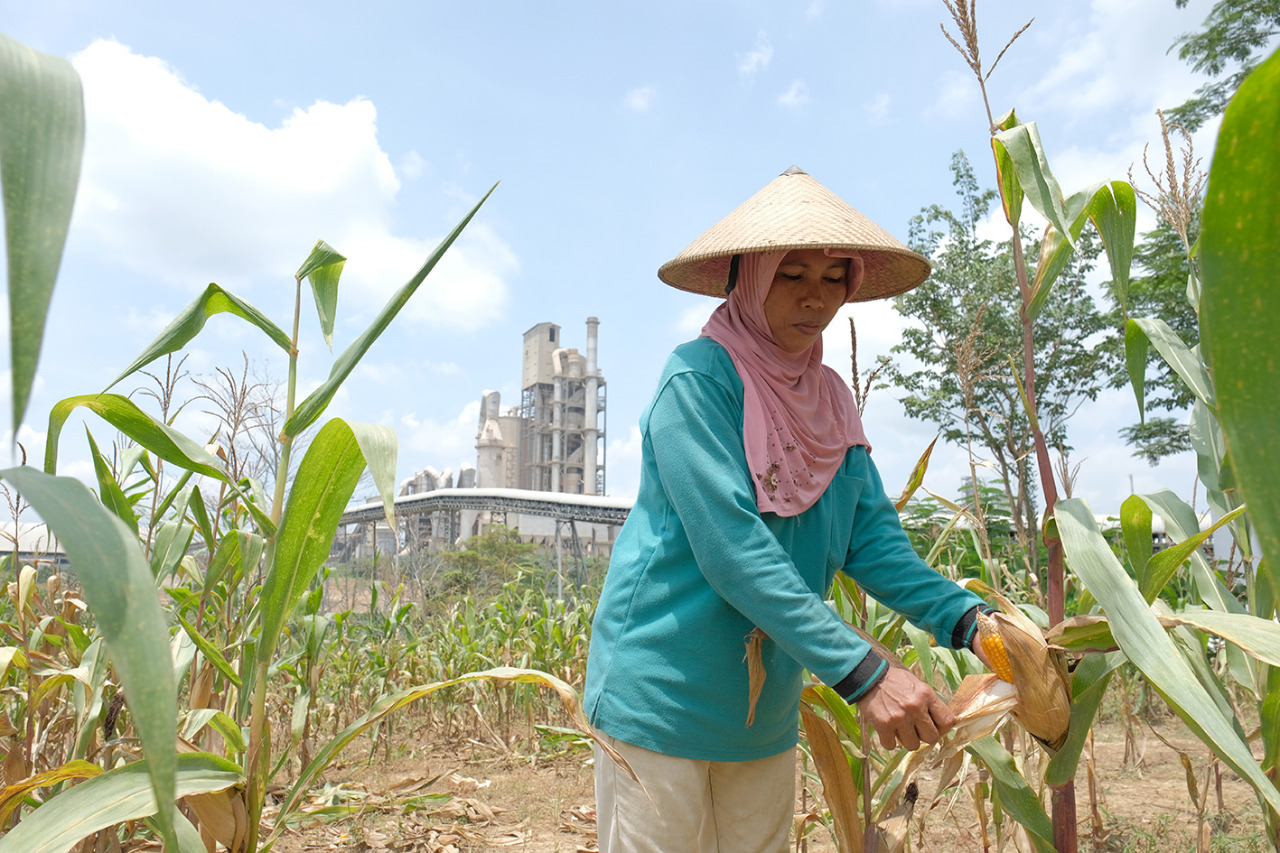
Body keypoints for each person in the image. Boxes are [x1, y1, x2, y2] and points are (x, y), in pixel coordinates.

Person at [583, 166, 993, 853]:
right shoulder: (698, 380)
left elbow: (874, 543)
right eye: (792, 275)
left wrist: (975, 624)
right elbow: (733, 550)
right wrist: (865, 673)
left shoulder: (831, 397)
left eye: (835, 278)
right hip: (661, 698)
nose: (816, 298)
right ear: (746, 278)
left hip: (759, 712)